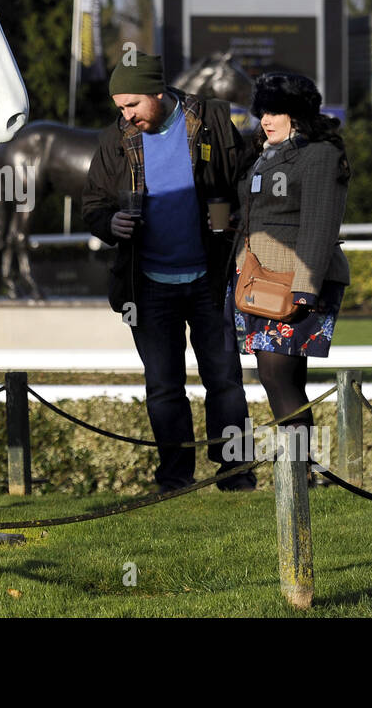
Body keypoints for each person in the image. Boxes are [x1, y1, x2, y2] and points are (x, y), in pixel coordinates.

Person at [82, 53, 256, 493]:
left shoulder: (212, 119)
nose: (126, 115)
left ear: (159, 94)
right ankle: (175, 478)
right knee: (163, 388)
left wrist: (234, 215)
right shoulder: (114, 140)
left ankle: (236, 473)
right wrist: (110, 224)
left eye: (133, 105)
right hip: (148, 287)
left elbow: (238, 179)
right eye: (120, 107)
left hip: (209, 280)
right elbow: (94, 205)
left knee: (225, 382)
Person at [227, 71, 350, 464]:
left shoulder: (320, 155)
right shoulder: (264, 154)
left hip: (298, 281)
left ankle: (298, 470)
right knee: (284, 379)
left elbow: (320, 224)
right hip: (257, 279)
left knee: (277, 377)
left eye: (275, 112)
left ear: (297, 114)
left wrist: (306, 287)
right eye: (262, 111)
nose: (265, 119)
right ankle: (303, 471)